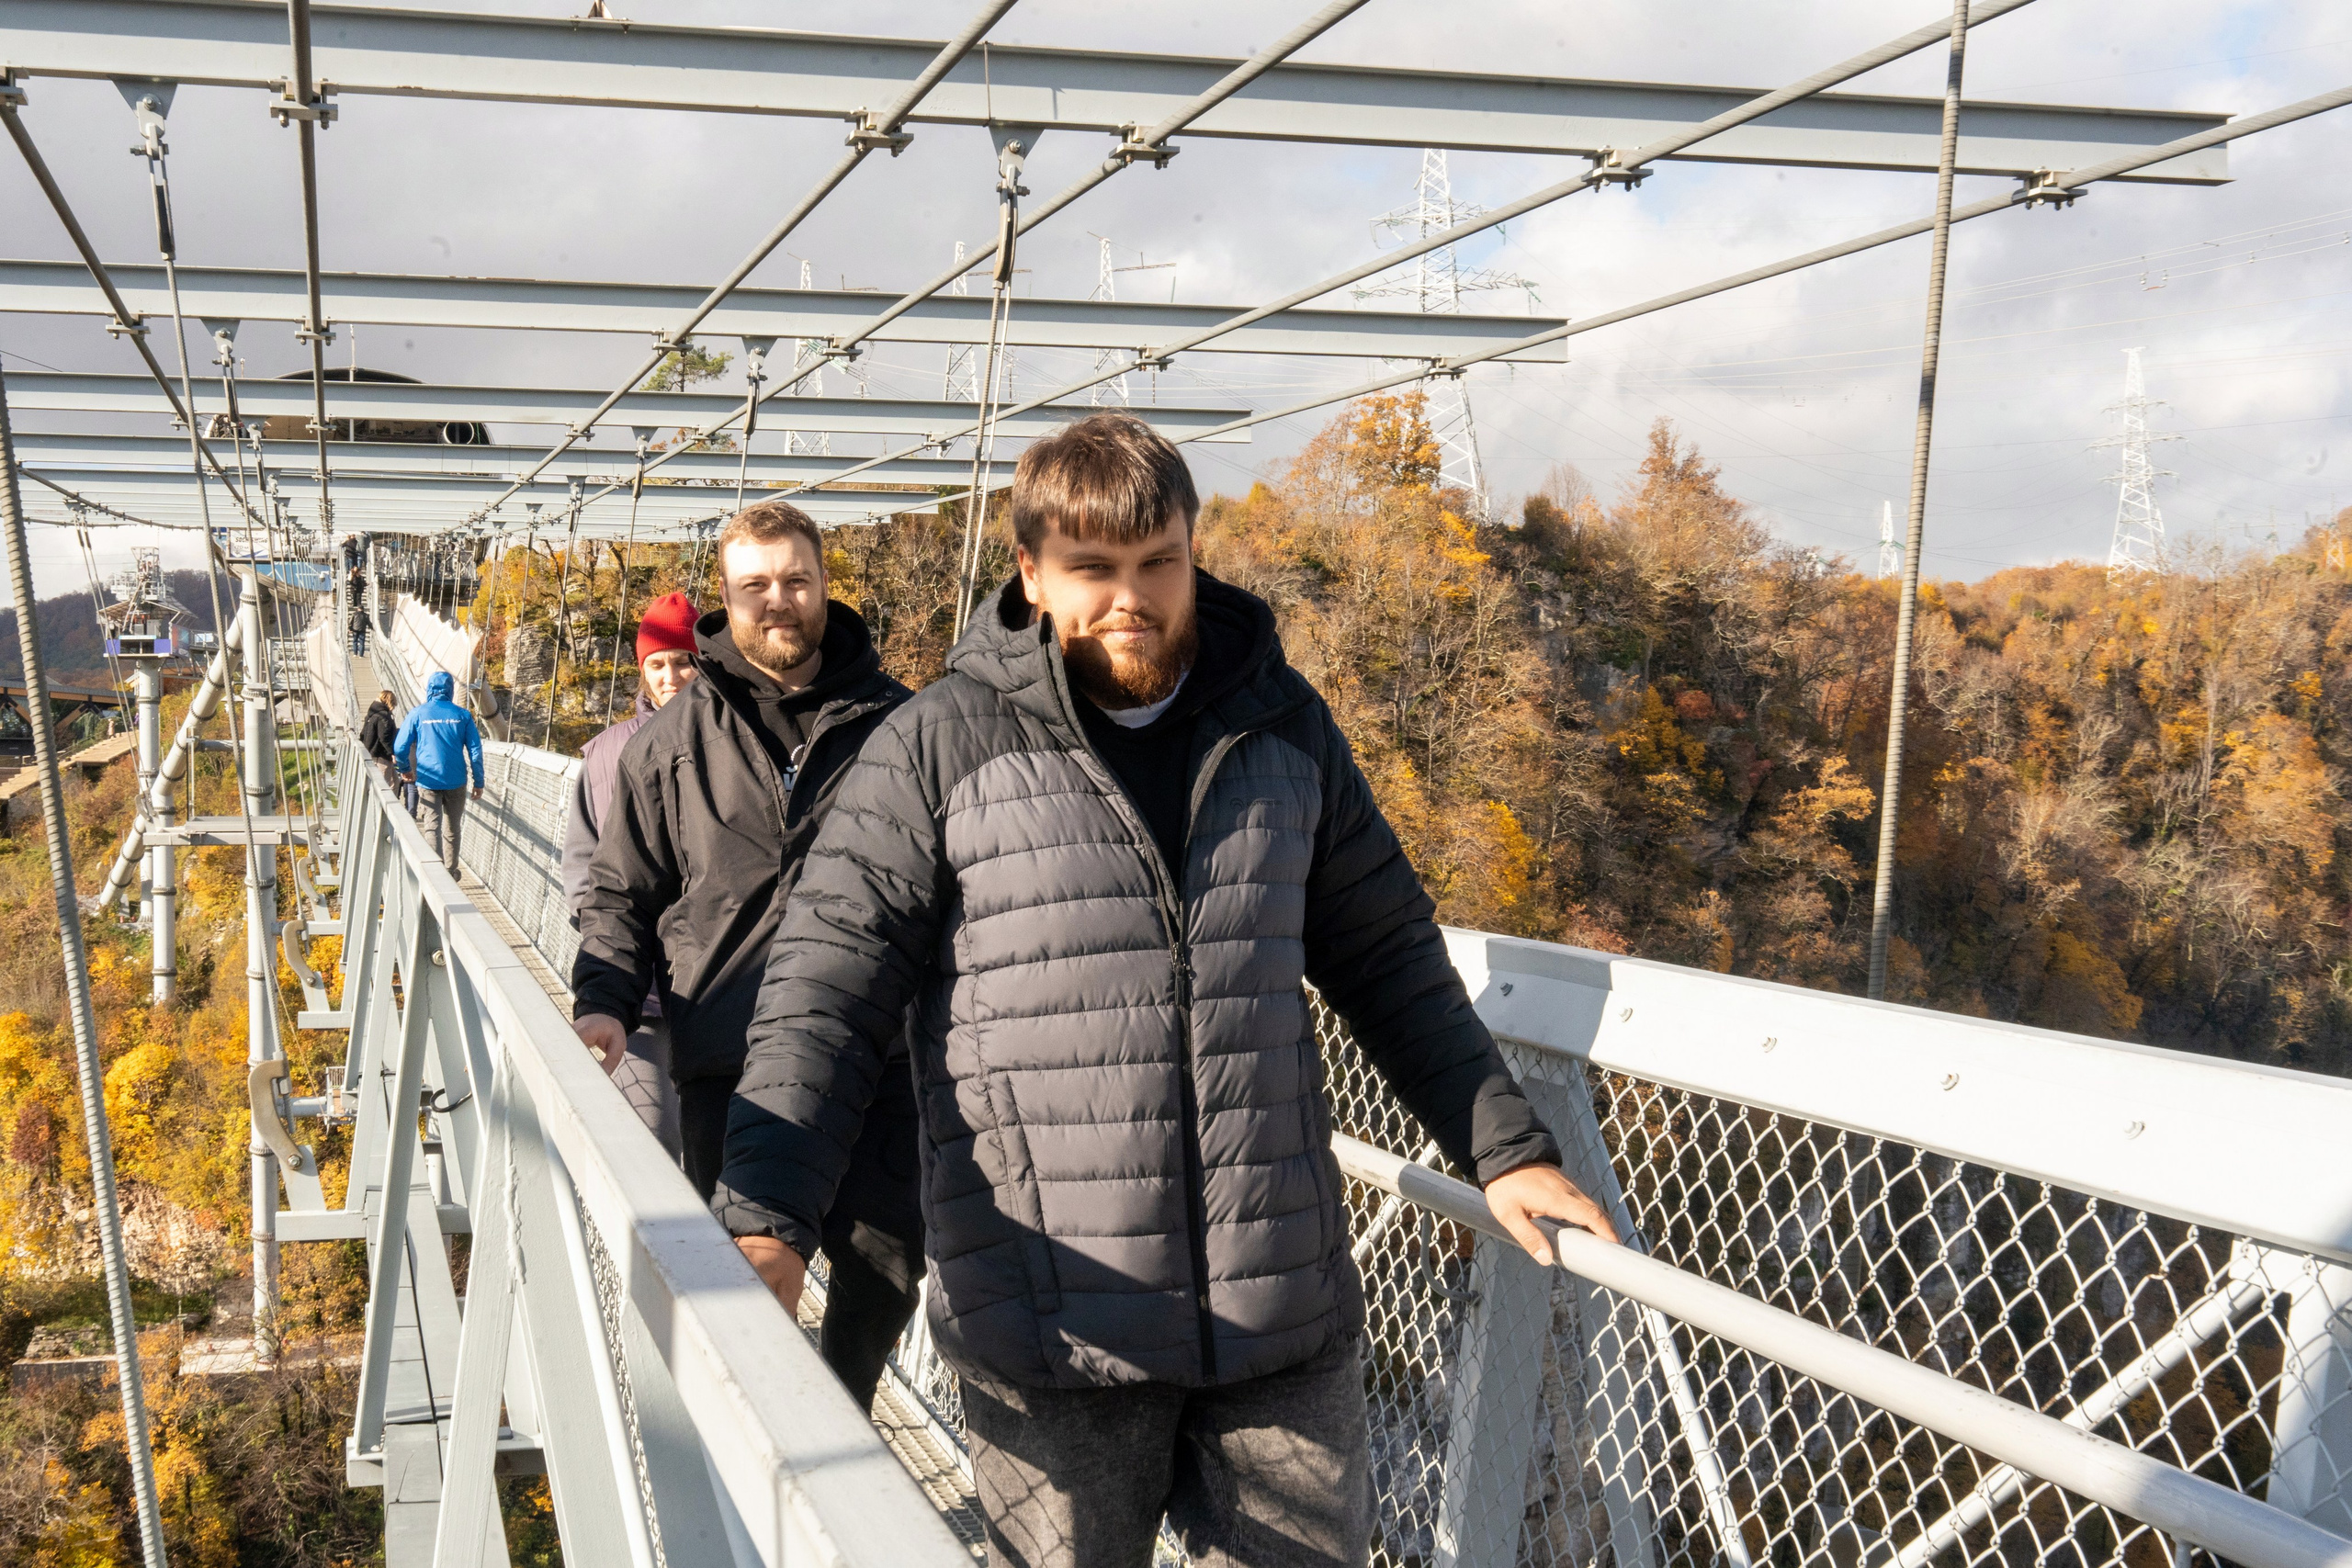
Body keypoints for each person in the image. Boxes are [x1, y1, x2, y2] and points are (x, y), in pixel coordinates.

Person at [714, 412, 1618, 1568]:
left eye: (1157, 564)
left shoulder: (1281, 727)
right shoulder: (936, 749)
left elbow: (1387, 955)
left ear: (1194, 551)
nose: (1129, 599)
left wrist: (1505, 1146)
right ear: (1032, 575)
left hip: (1277, 1325)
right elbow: (824, 993)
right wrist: (766, 1218)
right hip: (1055, 1332)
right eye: (1091, 572)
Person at [571, 500, 924, 1415]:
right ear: (723, 605)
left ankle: (836, 1424)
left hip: (878, 1051)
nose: (779, 601)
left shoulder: (906, 729)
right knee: (744, 1269)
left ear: (822, 587)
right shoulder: (668, 745)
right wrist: (603, 998)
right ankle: (757, 1441)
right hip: (732, 1059)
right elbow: (619, 893)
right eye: (754, 586)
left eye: (795, 580)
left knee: (884, 1266)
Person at [560, 592, 701, 1157]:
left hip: (720, 984)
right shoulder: (603, 753)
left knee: (723, 1154)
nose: (671, 676)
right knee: (652, 1149)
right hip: (638, 990)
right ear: (642, 671)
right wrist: (605, 943)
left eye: (684, 660)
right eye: (657, 664)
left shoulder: (739, 744)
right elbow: (582, 861)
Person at [392, 671, 484, 872]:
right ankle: (451, 871)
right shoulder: (463, 715)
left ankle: (435, 873)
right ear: (451, 690)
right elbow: (475, 752)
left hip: (428, 779)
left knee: (432, 826)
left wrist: (405, 769)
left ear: (429, 689)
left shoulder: (418, 713)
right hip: (456, 780)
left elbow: (399, 748)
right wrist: (479, 781)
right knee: (452, 829)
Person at [358, 688, 399, 787]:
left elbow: (363, 733)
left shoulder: (371, 713)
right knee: (385, 785)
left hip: (372, 752)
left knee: (395, 783)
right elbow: (384, 737)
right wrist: (392, 753)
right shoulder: (383, 716)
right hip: (381, 755)